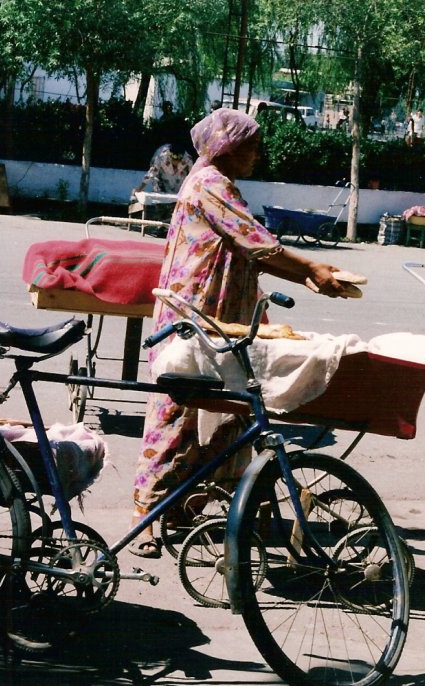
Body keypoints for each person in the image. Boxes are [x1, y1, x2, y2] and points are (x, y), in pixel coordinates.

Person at [130, 108, 346, 557]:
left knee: (231, 412)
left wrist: (310, 277)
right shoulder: (210, 183)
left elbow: (252, 251)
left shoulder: (221, 185)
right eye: (249, 144)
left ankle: (190, 504)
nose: (257, 153)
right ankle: (145, 516)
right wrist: (311, 269)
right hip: (194, 315)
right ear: (226, 147)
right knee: (177, 414)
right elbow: (256, 242)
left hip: (224, 315)